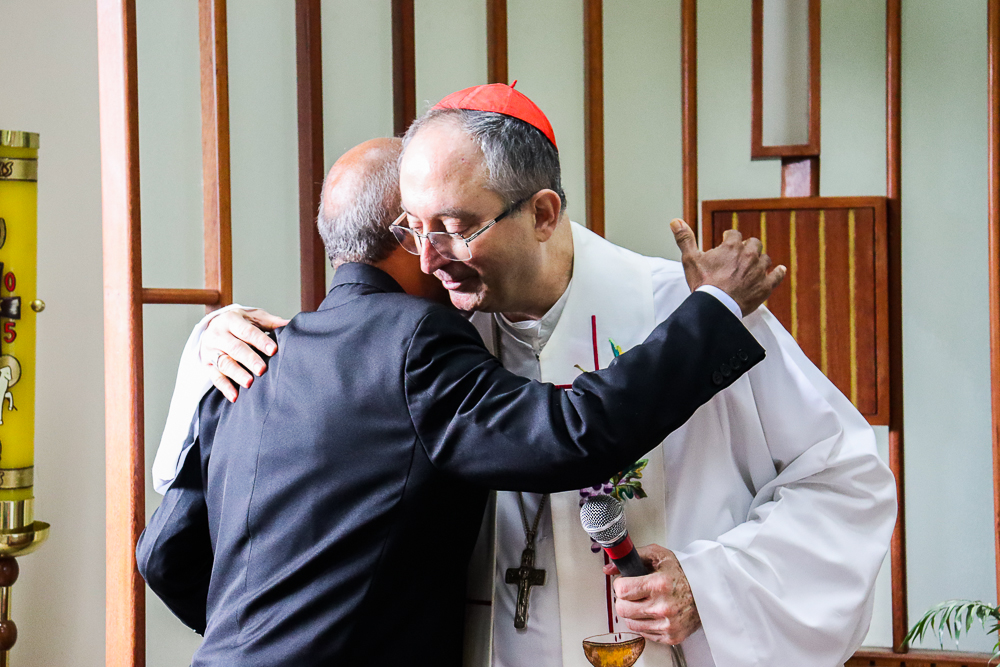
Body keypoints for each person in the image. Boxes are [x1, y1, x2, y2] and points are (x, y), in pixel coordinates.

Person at [167, 85, 896, 667]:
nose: (428, 258)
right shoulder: (433, 324)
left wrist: (707, 586)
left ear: (543, 213)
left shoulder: (687, 316)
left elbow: (846, 483)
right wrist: (208, 342)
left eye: (455, 227)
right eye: (414, 229)